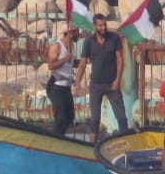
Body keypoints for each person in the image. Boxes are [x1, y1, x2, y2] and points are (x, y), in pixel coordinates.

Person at [75, 12, 128, 141]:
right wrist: (77, 83)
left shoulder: (114, 38)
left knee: (121, 117)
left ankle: (126, 143)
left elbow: (120, 60)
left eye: (104, 25)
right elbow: (82, 64)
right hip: (96, 85)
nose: (103, 28)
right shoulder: (88, 42)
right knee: (94, 119)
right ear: (95, 26)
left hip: (112, 84)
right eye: (100, 25)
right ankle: (92, 148)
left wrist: (117, 80)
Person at [44, 22, 80, 136]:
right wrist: (65, 59)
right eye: (76, 32)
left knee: (70, 117)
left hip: (66, 86)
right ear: (69, 33)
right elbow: (51, 65)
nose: (78, 35)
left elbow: (70, 64)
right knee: (61, 117)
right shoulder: (57, 46)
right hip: (56, 86)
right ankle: (55, 139)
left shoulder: (72, 47)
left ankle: (60, 137)